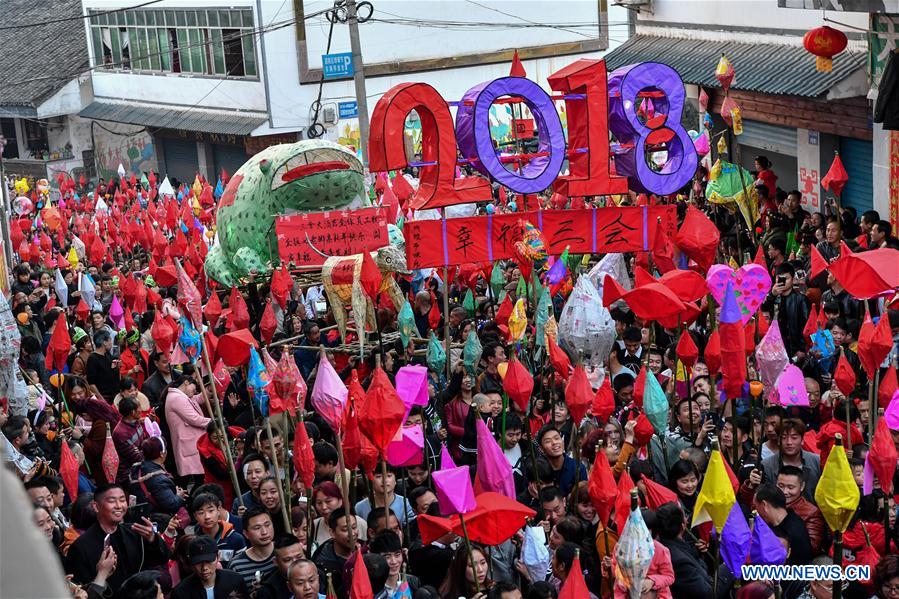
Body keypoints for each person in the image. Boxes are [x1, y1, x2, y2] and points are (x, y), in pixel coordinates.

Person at [65, 483, 170, 592]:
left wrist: (153, 540)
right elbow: (81, 590)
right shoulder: (81, 547)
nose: (119, 506)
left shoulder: (134, 531)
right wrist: (102, 573)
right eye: (112, 501)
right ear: (96, 507)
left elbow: (162, 559)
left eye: (122, 500)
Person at [164, 372, 211, 481]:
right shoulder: (177, 398)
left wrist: (209, 388)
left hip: (190, 442)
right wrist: (214, 423)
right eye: (193, 389)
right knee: (199, 479)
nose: (193, 393)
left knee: (200, 479)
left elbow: (197, 398)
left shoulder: (180, 396)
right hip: (188, 444)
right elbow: (194, 419)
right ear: (186, 383)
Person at [170, 535, 248, 599]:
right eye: (198, 562)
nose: (204, 568)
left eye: (209, 561)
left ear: (218, 557)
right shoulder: (181, 593)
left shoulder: (235, 580)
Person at [753, 484, 812, 566]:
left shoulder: (793, 533)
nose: (756, 512)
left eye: (756, 507)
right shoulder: (774, 524)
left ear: (764, 505)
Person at [130, 436, 188, 516]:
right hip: (158, 519)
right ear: (161, 454)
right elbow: (170, 505)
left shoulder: (138, 468)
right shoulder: (159, 480)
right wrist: (179, 495)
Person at [228, 507, 278, 590]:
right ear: (246, 534)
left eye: (267, 525)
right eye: (257, 528)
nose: (264, 532)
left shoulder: (284, 552)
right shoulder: (237, 565)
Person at [311, 511, 358, 597]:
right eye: (345, 529)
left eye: (354, 527)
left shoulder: (364, 550)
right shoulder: (322, 563)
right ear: (332, 533)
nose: (352, 534)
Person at [191, 492, 246, 564]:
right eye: (201, 512)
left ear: (218, 510)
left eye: (211, 511)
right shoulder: (193, 542)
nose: (207, 516)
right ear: (195, 516)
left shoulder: (235, 539)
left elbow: (242, 566)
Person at [311, 481, 368, 548]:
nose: (324, 507)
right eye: (319, 503)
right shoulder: (314, 525)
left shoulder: (359, 523)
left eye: (328, 501)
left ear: (340, 501)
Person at [536, 425, 586, 496]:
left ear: (562, 441)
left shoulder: (578, 468)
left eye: (557, 438)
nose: (554, 443)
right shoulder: (537, 469)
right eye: (548, 441)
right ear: (541, 448)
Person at [369, 530, 421, 596]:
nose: (394, 561)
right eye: (387, 557)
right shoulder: (372, 590)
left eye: (397, 555)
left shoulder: (413, 582)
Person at [112, 396, 148, 484]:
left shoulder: (136, 422)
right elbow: (137, 457)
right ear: (132, 412)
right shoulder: (120, 433)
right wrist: (144, 449)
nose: (141, 409)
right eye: (139, 407)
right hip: (129, 475)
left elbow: (145, 441)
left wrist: (142, 449)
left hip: (140, 468)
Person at [257, 534, 306, 599]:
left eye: (299, 557)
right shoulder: (268, 591)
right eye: (288, 560)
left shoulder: (319, 574)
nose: (295, 563)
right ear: (276, 562)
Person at [86, 330, 120, 403]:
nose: (111, 343)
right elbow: (91, 383)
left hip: (114, 395)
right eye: (110, 340)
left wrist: (115, 366)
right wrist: (101, 399)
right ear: (104, 342)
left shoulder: (107, 354)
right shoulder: (93, 359)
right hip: (104, 397)